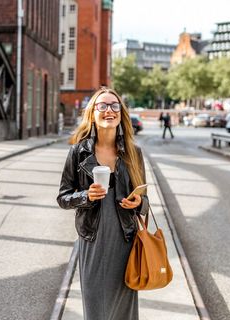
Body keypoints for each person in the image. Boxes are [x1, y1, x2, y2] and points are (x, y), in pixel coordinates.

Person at [57, 87, 149, 320]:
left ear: (121, 113)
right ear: (92, 113)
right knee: (96, 312)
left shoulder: (133, 153)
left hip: (125, 243)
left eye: (115, 106)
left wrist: (137, 202)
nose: (109, 110)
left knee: (124, 314)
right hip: (93, 242)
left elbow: (145, 202)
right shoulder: (78, 152)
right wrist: (86, 196)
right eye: (103, 106)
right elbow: (63, 197)